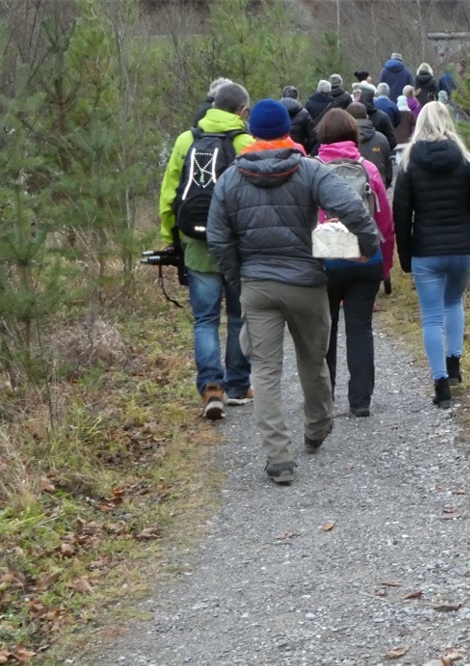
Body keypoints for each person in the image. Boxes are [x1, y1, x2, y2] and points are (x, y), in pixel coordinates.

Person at [206, 99, 381, 485]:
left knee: (265, 371)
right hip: (305, 281)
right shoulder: (308, 170)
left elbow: (218, 239)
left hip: (257, 285)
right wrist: (368, 247)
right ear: (288, 131)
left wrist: (241, 279)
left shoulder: (231, 179)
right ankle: (317, 428)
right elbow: (351, 207)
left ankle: (278, 458)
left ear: (253, 134)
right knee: (313, 359)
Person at [160, 80, 255, 420]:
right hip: (237, 247)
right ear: (242, 111)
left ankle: (211, 388)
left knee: (204, 319)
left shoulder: (187, 140)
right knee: (238, 317)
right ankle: (237, 384)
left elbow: (170, 191)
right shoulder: (247, 143)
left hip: (196, 243)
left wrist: (172, 236)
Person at [393, 101, 470, 410]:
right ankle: (455, 362)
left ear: (420, 123)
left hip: (427, 251)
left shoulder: (409, 162)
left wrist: (405, 260)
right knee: (454, 302)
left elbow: (402, 216)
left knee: (431, 318)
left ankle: (441, 384)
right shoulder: (465, 160)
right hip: (462, 249)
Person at [314, 109, 395, 419]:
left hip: (327, 257)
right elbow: (385, 223)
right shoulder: (369, 168)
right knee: (360, 329)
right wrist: (384, 264)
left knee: (327, 329)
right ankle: (360, 401)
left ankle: (327, 399)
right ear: (354, 135)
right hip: (365, 258)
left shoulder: (312, 169)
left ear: (321, 135)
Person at [346, 101, 392, 188]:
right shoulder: (381, 139)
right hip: (376, 190)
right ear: (367, 117)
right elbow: (388, 173)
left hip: (348, 192)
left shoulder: (341, 139)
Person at [357, 84, 397, 150]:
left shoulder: (351, 115)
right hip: (378, 156)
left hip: (356, 157)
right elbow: (393, 141)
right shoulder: (383, 116)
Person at [279, 85, 315, 153]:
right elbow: (312, 137)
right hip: (298, 151)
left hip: (278, 150)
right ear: (297, 97)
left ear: (282, 96)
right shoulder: (305, 113)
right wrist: (306, 151)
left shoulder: (274, 111)